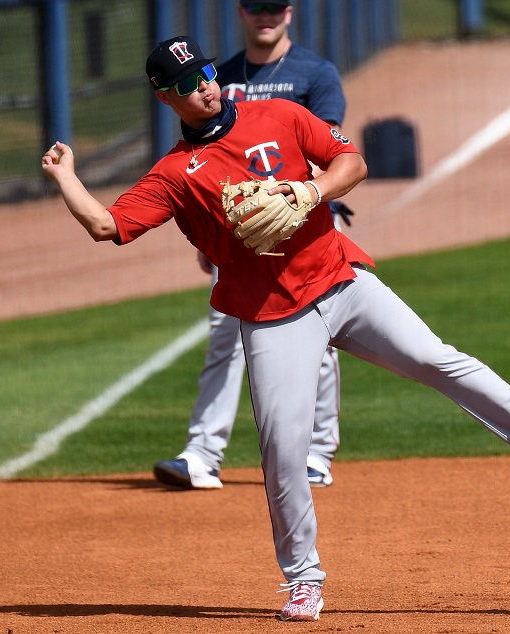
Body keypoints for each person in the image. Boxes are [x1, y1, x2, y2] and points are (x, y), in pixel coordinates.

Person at [41, 35, 510, 622]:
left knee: (439, 359)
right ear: (165, 97)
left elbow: (353, 162)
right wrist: (65, 177)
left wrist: (311, 189)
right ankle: (304, 581)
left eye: (206, 73)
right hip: (271, 318)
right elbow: (106, 225)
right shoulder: (175, 175)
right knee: (282, 448)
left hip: (341, 282)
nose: (204, 88)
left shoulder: (281, 115)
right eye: (186, 84)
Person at [153, 0, 349, 491]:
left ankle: (316, 453)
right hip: (242, 240)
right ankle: (202, 454)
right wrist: (216, 229)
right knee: (226, 336)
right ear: (239, 12)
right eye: (254, 6)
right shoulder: (216, 74)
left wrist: (287, 204)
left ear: (290, 10)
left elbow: (323, 152)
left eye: (274, 5)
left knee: (320, 339)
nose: (265, 15)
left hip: (307, 226)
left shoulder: (314, 72)